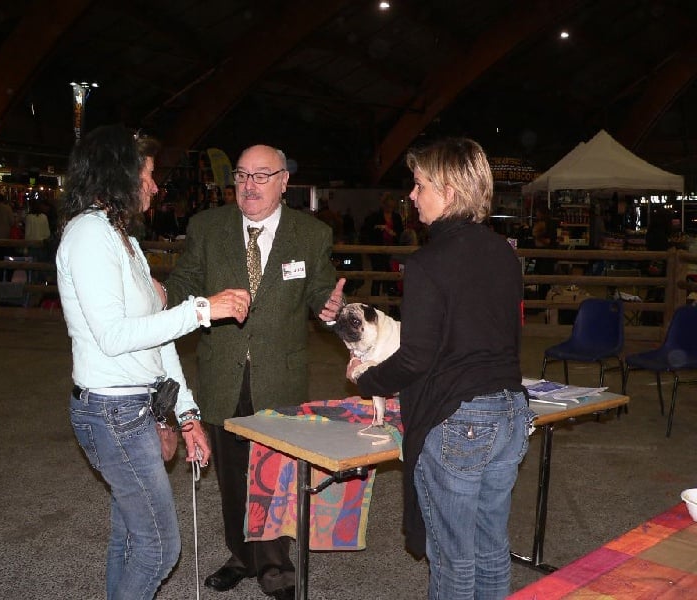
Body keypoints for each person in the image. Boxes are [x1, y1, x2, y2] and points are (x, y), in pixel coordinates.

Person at [56, 124, 251, 600]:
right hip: (110, 410)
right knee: (160, 547)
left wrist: (185, 416)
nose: (155, 185)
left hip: (134, 407)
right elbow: (115, 336)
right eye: (147, 173)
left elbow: (159, 339)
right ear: (119, 174)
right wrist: (204, 308)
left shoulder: (123, 239)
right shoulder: (88, 235)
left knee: (131, 536)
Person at [346, 138, 534, 600]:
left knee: (452, 558)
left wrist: (364, 378)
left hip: (460, 420)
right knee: (490, 547)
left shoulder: (428, 263)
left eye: (419, 184)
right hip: (510, 415)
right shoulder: (504, 253)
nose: (412, 195)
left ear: (448, 191)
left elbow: (415, 358)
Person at [164, 144, 345, 600]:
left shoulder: (311, 234)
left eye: (262, 176)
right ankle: (241, 556)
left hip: (279, 375)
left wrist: (328, 306)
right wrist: (156, 294)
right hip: (221, 371)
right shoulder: (207, 228)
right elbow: (184, 284)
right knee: (230, 474)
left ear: (285, 181)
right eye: (242, 175)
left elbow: (319, 288)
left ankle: (275, 565)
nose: (249, 185)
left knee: (275, 473)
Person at [361, 191, 403, 298]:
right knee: (377, 279)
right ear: (383, 205)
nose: (390, 208)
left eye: (392, 206)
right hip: (378, 253)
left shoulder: (397, 217)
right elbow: (366, 233)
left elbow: (401, 234)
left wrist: (392, 233)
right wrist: (378, 229)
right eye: (388, 206)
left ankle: (393, 307)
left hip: (393, 252)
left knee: (393, 279)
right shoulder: (374, 217)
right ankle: (374, 307)